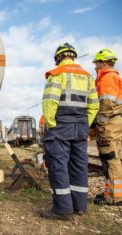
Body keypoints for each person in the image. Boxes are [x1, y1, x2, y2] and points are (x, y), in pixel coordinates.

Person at [41, 43, 99, 220]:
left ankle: (63, 210)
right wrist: (84, 124)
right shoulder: (88, 77)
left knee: (58, 166)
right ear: (73, 56)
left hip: (61, 125)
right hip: (80, 126)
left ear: (58, 57)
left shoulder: (57, 74)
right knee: (79, 166)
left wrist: (51, 123)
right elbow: (94, 105)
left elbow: (49, 102)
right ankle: (79, 206)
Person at [92, 48, 122, 206]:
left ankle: (115, 197)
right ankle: (110, 193)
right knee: (112, 160)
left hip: (109, 124)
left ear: (103, 63)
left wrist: (100, 123)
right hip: (114, 122)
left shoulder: (108, 78)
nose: (95, 67)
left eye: (97, 63)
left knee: (111, 160)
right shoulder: (112, 77)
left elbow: (106, 104)